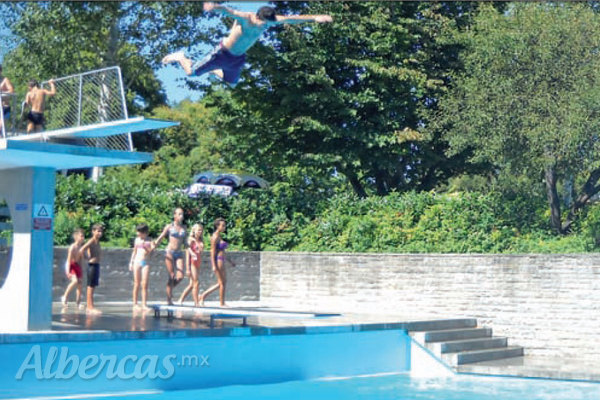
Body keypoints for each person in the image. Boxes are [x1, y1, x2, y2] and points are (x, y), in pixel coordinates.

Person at [162, 3, 333, 87]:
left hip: (237, 58)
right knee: (191, 73)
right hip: (221, 53)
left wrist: (316, 18)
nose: (266, 26)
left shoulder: (269, 21)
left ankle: (214, 71)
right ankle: (180, 56)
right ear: (258, 17)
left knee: (232, 84)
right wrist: (215, 7)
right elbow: (230, 11)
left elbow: (292, 18)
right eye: (264, 23)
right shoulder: (247, 19)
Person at [199, 218, 236, 307]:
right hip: (218, 260)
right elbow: (212, 251)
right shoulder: (215, 237)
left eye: (224, 225)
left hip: (222, 259)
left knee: (222, 282)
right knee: (222, 283)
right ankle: (221, 303)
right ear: (217, 226)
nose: (224, 227)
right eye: (222, 225)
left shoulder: (219, 236)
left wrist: (230, 261)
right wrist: (213, 265)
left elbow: (223, 251)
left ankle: (203, 296)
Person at [154, 208, 187, 305]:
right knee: (172, 276)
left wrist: (191, 251)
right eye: (179, 214)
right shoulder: (169, 227)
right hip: (170, 252)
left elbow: (185, 242)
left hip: (179, 253)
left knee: (180, 276)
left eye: (182, 214)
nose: (181, 216)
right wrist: (155, 245)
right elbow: (161, 237)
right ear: (174, 215)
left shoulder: (184, 228)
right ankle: (169, 299)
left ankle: (169, 289)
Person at [128, 223, 155, 311]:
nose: (137, 233)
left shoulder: (150, 240)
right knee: (136, 283)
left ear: (144, 232)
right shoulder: (137, 240)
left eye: (139, 232)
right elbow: (134, 251)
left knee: (144, 284)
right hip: (137, 261)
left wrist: (146, 247)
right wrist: (131, 262)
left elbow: (151, 252)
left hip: (145, 262)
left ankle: (144, 304)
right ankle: (135, 303)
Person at [178, 224, 204, 306]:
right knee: (196, 283)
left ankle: (180, 299)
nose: (200, 231)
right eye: (198, 230)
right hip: (192, 262)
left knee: (191, 284)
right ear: (194, 230)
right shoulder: (190, 240)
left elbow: (200, 252)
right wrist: (187, 268)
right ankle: (196, 302)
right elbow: (187, 254)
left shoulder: (200, 240)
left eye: (201, 230)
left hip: (198, 262)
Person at [80, 224, 104, 315]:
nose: (99, 233)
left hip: (96, 265)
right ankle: (90, 307)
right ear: (93, 231)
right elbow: (82, 249)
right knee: (90, 287)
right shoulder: (92, 241)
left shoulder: (97, 242)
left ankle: (90, 306)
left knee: (93, 287)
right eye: (98, 231)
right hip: (92, 265)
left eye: (101, 231)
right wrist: (86, 257)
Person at [60, 228, 86, 309]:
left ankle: (78, 303)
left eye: (83, 236)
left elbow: (81, 260)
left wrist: (81, 270)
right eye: (81, 236)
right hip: (71, 265)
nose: (83, 238)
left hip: (77, 266)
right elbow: (68, 260)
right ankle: (64, 297)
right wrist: (68, 271)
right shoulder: (72, 247)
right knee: (75, 281)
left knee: (80, 284)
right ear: (76, 237)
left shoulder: (81, 248)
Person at [0, 65, 14, 135]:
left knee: (1, 126)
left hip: (4, 107)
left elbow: (11, 90)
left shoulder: (5, 80)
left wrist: (2, 93)